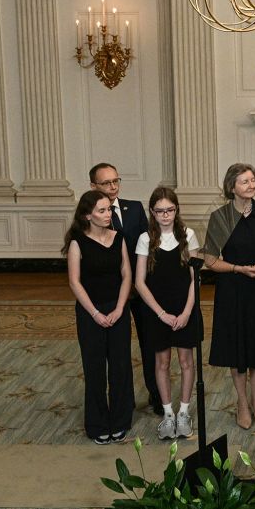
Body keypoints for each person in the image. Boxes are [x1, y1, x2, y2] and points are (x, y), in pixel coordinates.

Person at [204, 163, 255, 430]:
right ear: (232, 187)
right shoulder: (221, 217)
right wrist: (238, 268)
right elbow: (209, 260)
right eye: (245, 181)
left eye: (253, 180)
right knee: (238, 350)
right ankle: (242, 402)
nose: (251, 185)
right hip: (233, 290)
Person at [90, 162, 162, 417]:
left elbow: (147, 247)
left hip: (140, 289)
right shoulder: (92, 216)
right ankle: (124, 403)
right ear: (93, 187)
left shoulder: (134, 210)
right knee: (118, 351)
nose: (112, 187)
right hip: (110, 293)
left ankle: (157, 396)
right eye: (106, 183)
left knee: (150, 344)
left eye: (115, 181)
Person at [63, 190, 134, 445]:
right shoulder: (77, 243)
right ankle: (97, 423)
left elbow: (127, 274)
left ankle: (120, 419)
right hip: (89, 312)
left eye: (109, 210)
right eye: (102, 210)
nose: (107, 214)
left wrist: (119, 308)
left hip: (118, 310)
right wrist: (94, 313)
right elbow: (74, 282)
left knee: (120, 366)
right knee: (94, 369)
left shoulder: (119, 238)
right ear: (87, 215)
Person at [134, 187, 202, 442]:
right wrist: (161, 314)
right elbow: (140, 282)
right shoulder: (145, 239)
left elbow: (195, 278)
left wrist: (186, 312)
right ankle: (168, 414)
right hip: (157, 311)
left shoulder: (188, 235)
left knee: (186, 362)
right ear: (152, 212)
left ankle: (184, 412)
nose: (165, 215)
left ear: (176, 210)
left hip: (184, 307)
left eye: (170, 210)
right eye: (160, 211)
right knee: (161, 363)